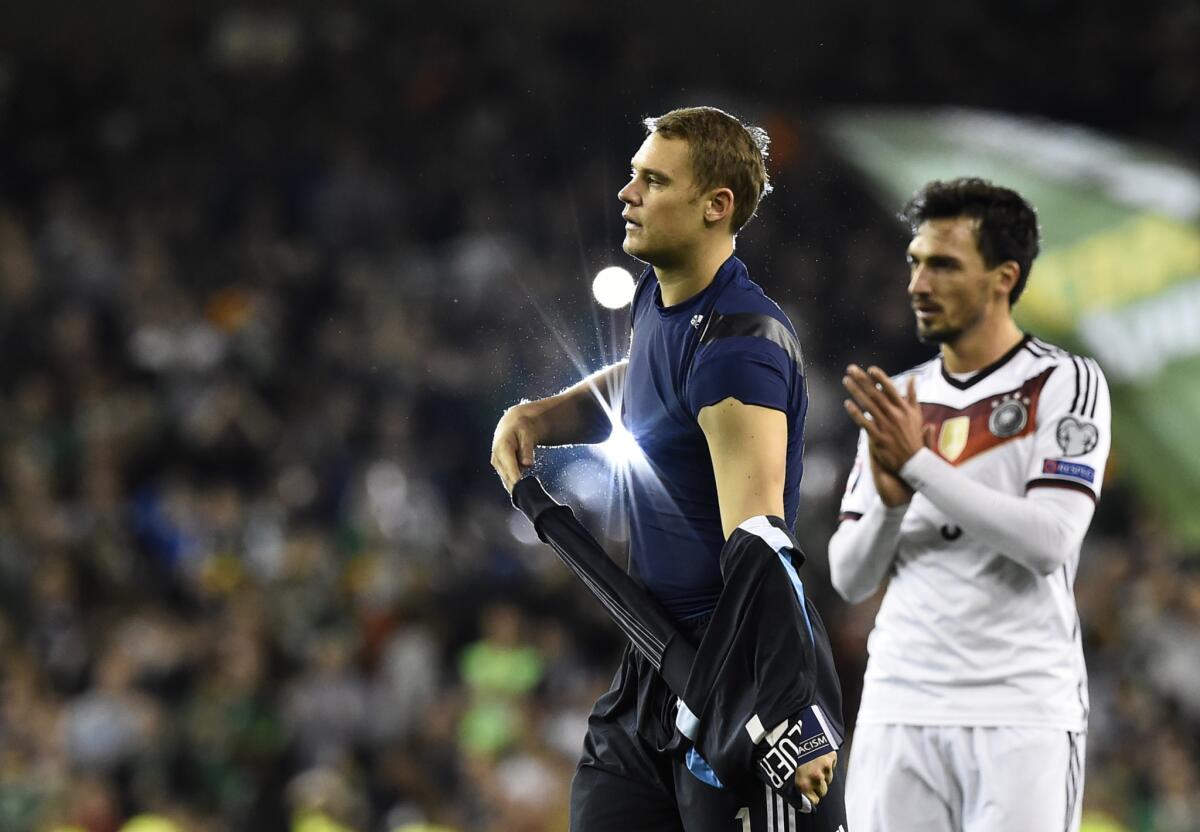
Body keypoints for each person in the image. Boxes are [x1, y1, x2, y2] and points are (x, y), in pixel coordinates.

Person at [491, 107, 845, 830]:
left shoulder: (741, 347)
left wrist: (786, 712)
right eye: (632, 175)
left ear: (716, 207)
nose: (627, 193)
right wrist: (546, 415)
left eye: (652, 181)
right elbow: (650, 382)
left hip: (738, 678)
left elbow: (761, 537)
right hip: (655, 662)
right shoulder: (665, 298)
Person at [830, 178, 1112, 832]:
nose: (918, 284)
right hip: (899, 703)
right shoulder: (900, 396)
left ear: (1002, 278)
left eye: (944, 265)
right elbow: (850, 576)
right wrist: (893, 504)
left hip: (1020, 712)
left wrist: (919, 465)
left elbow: (1049, 543)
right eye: (915, 262)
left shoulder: (1062, 382)